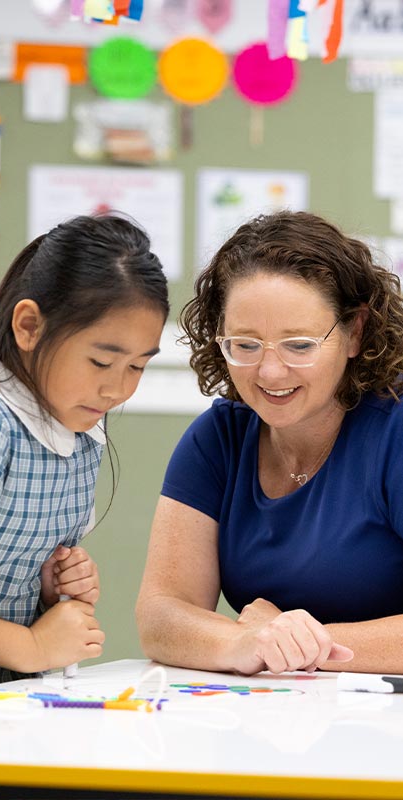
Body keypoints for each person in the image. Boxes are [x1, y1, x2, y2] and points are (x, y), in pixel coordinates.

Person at [137, 209, 403, 676]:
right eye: (245, 344)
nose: (270, 372)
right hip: (276, 720)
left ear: (355, 332)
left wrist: (294, 640)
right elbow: (161, 614)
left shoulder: (394, 432)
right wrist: (250, 640)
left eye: (299, 345)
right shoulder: (218, 439)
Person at [0, 212, 169, 686]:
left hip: (1, 703)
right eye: (101, 361)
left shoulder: (79, 430)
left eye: (136, 367)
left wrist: (48, 586)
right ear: (28, 326)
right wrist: (30, 646)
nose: (116, 389)